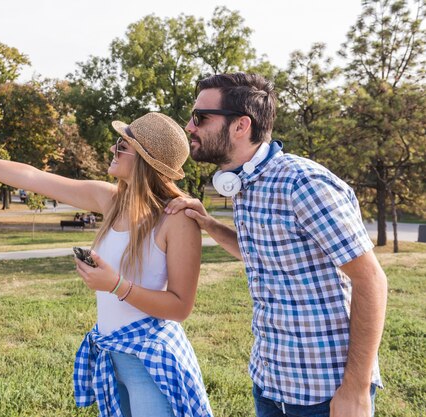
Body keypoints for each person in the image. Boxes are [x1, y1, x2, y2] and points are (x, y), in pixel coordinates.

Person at [0, 112, 213, 417]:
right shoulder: (110, 200)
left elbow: (180, 308)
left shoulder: (178, 219)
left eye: (121, 145)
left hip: (151, 362)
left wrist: (116, 285)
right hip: (112, 355)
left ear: (143, 160)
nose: (112, 150)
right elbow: (31, 176)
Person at [165, 73, 387, 417]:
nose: (189, 127)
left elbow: (370, 280)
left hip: (325, 393)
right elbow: (260, 252)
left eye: (200, 117)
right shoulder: (244, 185)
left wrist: (356, 389)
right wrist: (208, 223)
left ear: (241, 126)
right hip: (271, 384)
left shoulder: (304, 184)